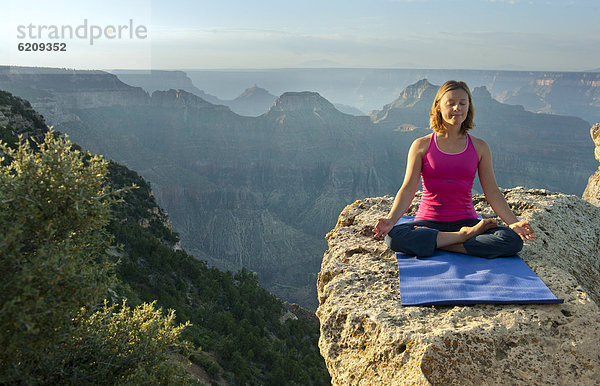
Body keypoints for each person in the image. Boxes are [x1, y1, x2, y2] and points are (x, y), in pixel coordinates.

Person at [372, 80, 535, 258]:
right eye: (451, 103)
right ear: (439, 107)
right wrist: (391, 220)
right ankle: (462, 238)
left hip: (467, 221)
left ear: (469, 107)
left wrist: (513, 223)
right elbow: (408, 188)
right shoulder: (421, 145)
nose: (457, 108)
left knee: (512, 240)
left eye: (462, 103)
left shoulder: (480, 147)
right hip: (428, 222)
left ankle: (440, 243)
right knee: (393, 238)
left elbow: (492, 191)